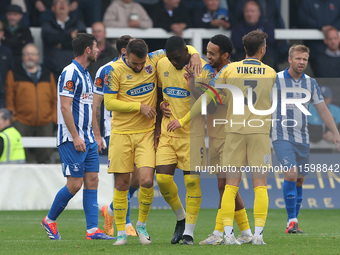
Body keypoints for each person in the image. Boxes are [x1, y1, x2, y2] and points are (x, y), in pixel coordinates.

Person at [173, 30, 277, 245]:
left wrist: (183, 119)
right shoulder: (271, 73)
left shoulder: (229, 70)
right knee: (260, 186)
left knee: (229, 185)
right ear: (263, 49)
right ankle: (257, 234)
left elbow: (209, 100)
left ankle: (227, 233)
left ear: (243, 48)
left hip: (234, 132)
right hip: (258, 131)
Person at [104, 38, 202, 245]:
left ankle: (145, 226)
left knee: (148, 180)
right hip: (122, 133)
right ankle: (121, 232)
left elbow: (181, 49)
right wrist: (143, 107)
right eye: (134, 63)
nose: (140, 67)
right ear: (125, 54)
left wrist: (194, 54)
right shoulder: (113, 70)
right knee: (124, 183)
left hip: (150, 133)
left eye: (142, 63)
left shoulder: (156, 59)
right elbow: (108, 103)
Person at [41, 33, 114, 241]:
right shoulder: (70, 72)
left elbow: (89, 109)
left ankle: (92, 230)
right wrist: (75, 136)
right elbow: (65, 107)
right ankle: (49, 220)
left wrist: (96, 136)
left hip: (88, 138)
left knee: (93, 179)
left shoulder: (85, 74)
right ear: (87, 50)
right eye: (96, 46)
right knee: (74, 184)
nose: (99, 49)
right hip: (72, 138)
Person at [271, 44, 340, 234]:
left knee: (299, 180)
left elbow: (322, 109)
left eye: (305, 59)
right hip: (281, 136)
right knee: (291, 174)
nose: (301, 62)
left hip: (303, 138)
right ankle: (291, 220)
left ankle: (294, 221)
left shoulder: (310, 83)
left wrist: (336, 132)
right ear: (290, 59)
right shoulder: (275, 79)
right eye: (298, 58)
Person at [155, 36, 214, 245]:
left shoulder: (203, 69)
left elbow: (208, 103)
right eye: (170, 58)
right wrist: (160, 105)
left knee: (191, 182)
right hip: (168, 132)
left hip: (193, 134)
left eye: (177, 58)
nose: (174, 62)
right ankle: (181, 218)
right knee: (162, 179)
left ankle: (188, 232)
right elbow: (159, 91)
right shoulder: (162, 62)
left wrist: (192, 84)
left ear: (185, 52)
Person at [197, 34, 252, 245]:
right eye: (207, 52)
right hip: (216, 134)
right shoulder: (207, 71)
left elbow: (212, 104)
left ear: (225, 55)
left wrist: (200, 89)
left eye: (212, 53)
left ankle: (219, 233)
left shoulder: (234, 73)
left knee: (225, 184)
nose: (208, 56)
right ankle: (246, 231)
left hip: (233, 135)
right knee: (225, 186)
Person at [93, 35, 139, 237]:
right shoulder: (106, 70)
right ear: (123, 52)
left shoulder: (141, 67)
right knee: (124, 178)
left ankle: (110, 210)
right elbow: (96, 104)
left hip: (140, 131)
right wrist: (97, 134)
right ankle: (126, 223)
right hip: (116, 131)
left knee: (139, 178)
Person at [5, 43, 57, 164]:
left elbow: (55, 98)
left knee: (45, 157)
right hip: (21, 122)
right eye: (27, 54)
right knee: (22, 156)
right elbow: (9, 97)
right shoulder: (13, 73)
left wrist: (53, 118)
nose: (30, 57)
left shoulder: (47, 74)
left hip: (46, 122)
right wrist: (14, 118)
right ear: (22, 56)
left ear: (38, 57)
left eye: (33, 54)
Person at [41, 0, 86, 80]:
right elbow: (49, 39)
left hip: (74, 72)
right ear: (53, 8)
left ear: (69, 7)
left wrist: (60, 43)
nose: (62, 5)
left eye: (65, 2)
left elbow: (82, 42)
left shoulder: (78, 24)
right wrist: (70, 36)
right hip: (53, 72)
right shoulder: (47, 24)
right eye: (58, 2)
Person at [231, 0, 276, 68]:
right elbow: (237, 44)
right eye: (247, 11)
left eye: (252, 11)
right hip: (242, 58)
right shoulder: (237, 28)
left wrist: (250, 44)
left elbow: (270, 40)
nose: (250, 14)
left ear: (258, 13)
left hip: (264, 58)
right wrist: (257, 44)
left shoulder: (267, 26)